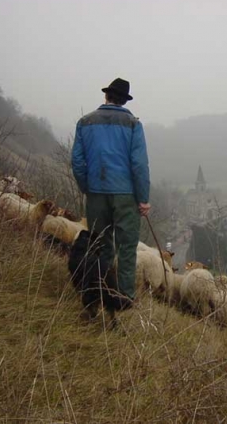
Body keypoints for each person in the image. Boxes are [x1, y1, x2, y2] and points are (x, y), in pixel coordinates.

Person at [71, 77, 150, 313]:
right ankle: (124, 298)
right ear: (124, 101)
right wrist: (143, 198)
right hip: (126, 195)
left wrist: (87, 187)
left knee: (99, 245)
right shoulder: (133, 125)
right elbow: (139, 165)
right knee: (127, 248)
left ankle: (97, 293)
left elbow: (77, 161)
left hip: (96, 193)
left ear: (106, 97)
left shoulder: (84, 122)